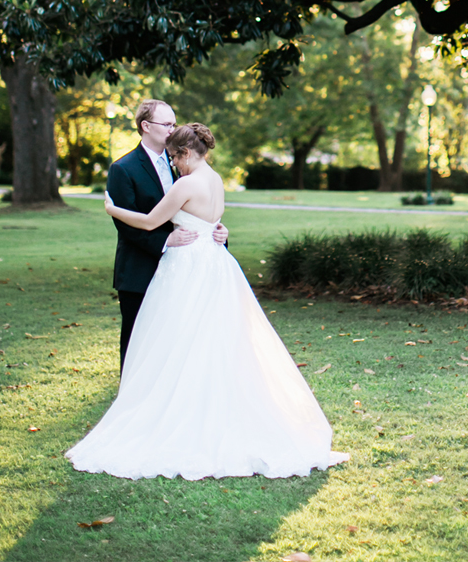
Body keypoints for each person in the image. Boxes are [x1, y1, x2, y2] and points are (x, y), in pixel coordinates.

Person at [67, 122, 348, 480]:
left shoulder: (186, 183)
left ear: (185, 153)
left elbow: (151, 221)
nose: (174, 165)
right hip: (217, 264)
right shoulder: (215, 179)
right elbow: (211, 221)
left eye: (174, 158)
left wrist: (113, 209)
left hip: (187, 267)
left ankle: (181, 415)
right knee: (218, 340)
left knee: (180, 340)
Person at [106, 99, 226, 367]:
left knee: (178, 340)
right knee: (137, 339)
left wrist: (217, 231)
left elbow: (200, 210)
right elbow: (126, 226)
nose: (173, 129)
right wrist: (165, 241)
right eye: (167, 124)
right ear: (146, 126)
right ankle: (130, 395)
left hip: (187, 269)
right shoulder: (122, 169)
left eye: (174, 123)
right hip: (140, 268)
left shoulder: (184, 162)